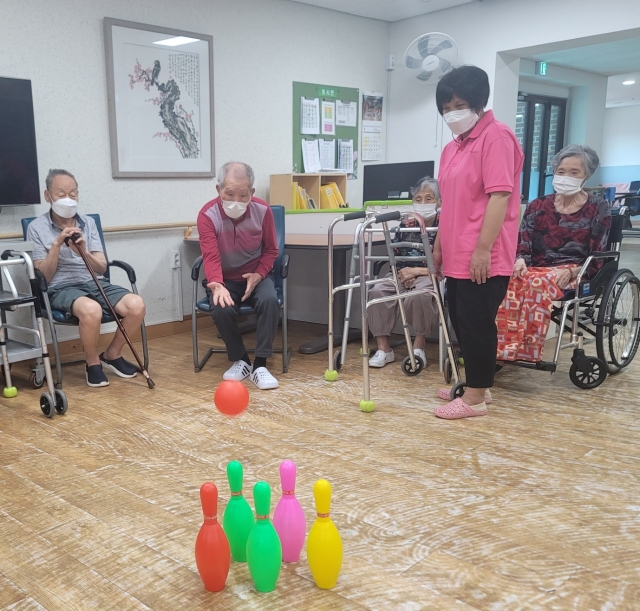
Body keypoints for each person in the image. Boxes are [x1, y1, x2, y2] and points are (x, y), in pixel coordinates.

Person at [432, 65, 524, 419]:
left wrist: (483, 250)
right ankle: (478, 386)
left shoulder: (496, 137)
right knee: (461, 319)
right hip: (456, 251)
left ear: (478, 102)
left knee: (476, 322)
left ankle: (474, 400)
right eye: (446, 108)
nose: (452, 113)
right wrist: (440, 245)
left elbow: (500, 196)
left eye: (459, 105)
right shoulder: (453, 148)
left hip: (484, 252)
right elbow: (450, 204)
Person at [27, 169, 147, 387]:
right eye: (61, 194)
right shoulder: (36, 228)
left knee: (136, 305)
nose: (68, 199)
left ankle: (112, 354)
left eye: (72, 194)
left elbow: (101, 267)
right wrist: (57, 244)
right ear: (48, 196)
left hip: (94, 281)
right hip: (61, 287)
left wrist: (83, 252)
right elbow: (43, 276)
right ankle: (92, 363)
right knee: (92, 310)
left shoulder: (88, 223)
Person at [496, 145, 611, 362]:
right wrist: (520, 260)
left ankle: (527, 351)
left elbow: (598, 252)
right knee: (508, 281)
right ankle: (503, 349)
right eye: (561, 171)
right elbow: (524, 241)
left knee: (537, 283)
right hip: (536, 268)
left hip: (576, 270)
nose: (566, 177)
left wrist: (574, 272)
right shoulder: (538, 205)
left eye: (574, 172)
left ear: (586, 175)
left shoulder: (598, 206)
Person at [197, 161, 280, 390]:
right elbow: (210, 255)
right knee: (220, 307)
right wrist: (217, 284)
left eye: (243, 195)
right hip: (224, 279)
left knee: (270, 300)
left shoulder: (263, 210)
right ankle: (241, 360)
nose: (236, 200)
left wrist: (259, 274)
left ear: (252, 192)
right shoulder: (207, 215)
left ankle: (260, 365)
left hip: (256, 275)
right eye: (229, 194)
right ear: (218, 190)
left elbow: (271, 250)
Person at [367, 176, 441, 369]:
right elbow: (395, 254)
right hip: (402, 272)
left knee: (419, 295)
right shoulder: (406, 225)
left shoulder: (445, 226)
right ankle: (384, 349)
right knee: (377, 291)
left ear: (439, 202)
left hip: (430, 274)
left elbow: (447, 263)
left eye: (428, 198)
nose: (422, 203)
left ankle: (419, 346)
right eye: (418, 199)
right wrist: (402, 273)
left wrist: (416, 272)